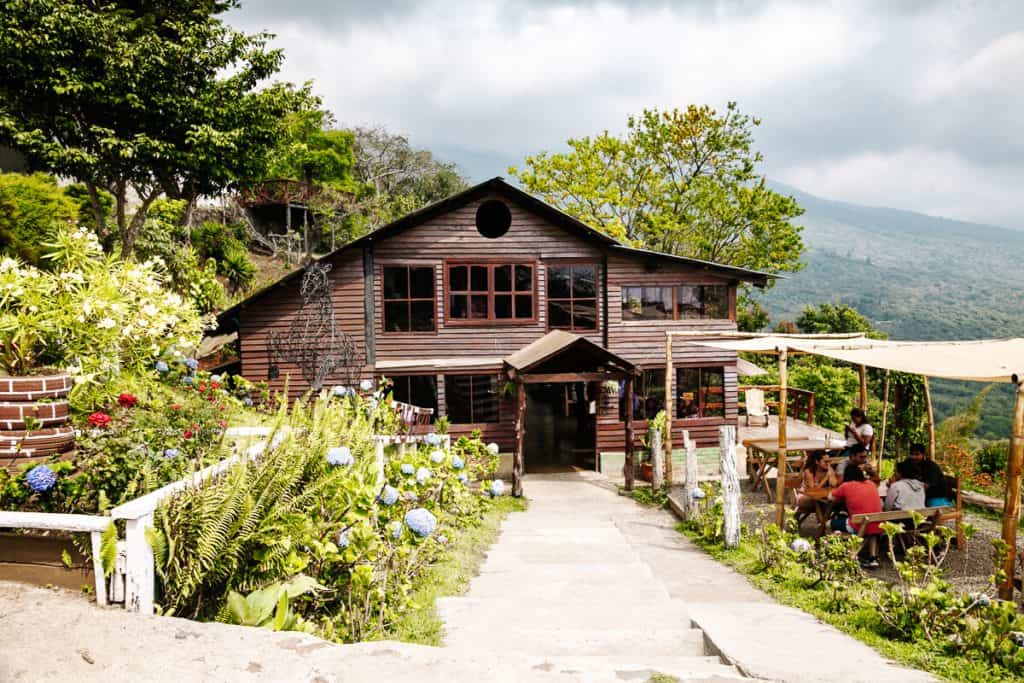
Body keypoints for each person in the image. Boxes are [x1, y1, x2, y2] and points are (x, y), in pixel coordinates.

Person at [829, 465, 883, 568]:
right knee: (871, 526)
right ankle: (873, 557)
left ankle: (837, 552)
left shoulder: (846, 486)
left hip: (859, 526)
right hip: (877, 525)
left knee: (829, 524)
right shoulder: (871, 484)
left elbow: (831, 497)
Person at [906, 443, 954, 507]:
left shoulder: (931, 467)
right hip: (925, 496)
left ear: (923, 455)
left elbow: (926, 486)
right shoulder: (911, 464)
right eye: (912, 454)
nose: (914, 457)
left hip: (939, 497)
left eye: (917, 454)